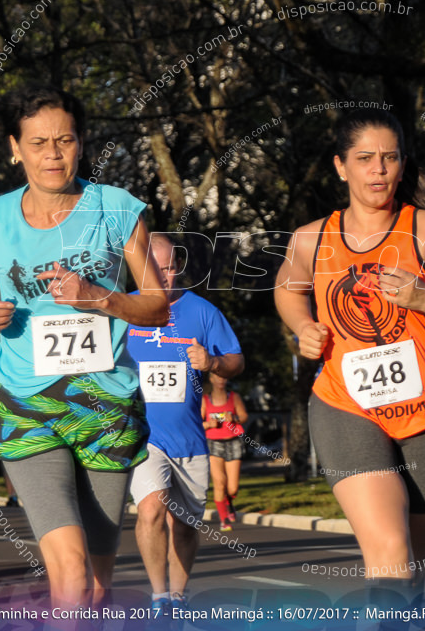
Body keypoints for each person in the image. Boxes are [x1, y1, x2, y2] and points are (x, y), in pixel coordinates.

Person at [274, 109, 425, 600]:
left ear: (401, 165)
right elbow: (288, 291)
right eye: (365, 158)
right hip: (345, 404)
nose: (378, 169)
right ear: (341, 167)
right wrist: (303, 328)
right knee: (391, 551)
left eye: (389, 158)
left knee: (410, 572)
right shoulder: (311, 238)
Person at [0, 83, 168, 611]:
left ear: (81, 143)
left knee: (95, 586)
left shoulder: (117, 209)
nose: (53, 153)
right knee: (70, 574)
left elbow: (158, 305)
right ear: (14, 147)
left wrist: (100, 296)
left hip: (106, 406)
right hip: (28, 404)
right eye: (38, 142)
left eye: (65, 140)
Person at [127, 233, 243, 618]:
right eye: (155, 270)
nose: (166, 277)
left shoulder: (202, 312)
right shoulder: (124, 312)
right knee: (151, 508)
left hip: (190, 439)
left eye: (170, 268)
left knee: (187, 525)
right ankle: (159, 596)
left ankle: (177, 596)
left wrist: (211, 363)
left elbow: (236, 361)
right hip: (145, 438)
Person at [201, 372, 248, 531]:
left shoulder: (234, 397)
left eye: (223, 376)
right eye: (218, 377)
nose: (221, 379)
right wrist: (208, 424)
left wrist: (234, 418)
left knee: (232, 487)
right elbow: (198, 424)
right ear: (211, 379)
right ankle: (224, 519)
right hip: (213, 443)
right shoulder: (205, 400)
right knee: (219, 483)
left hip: (233, 441)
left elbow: (244, 416)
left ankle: (229, 500)